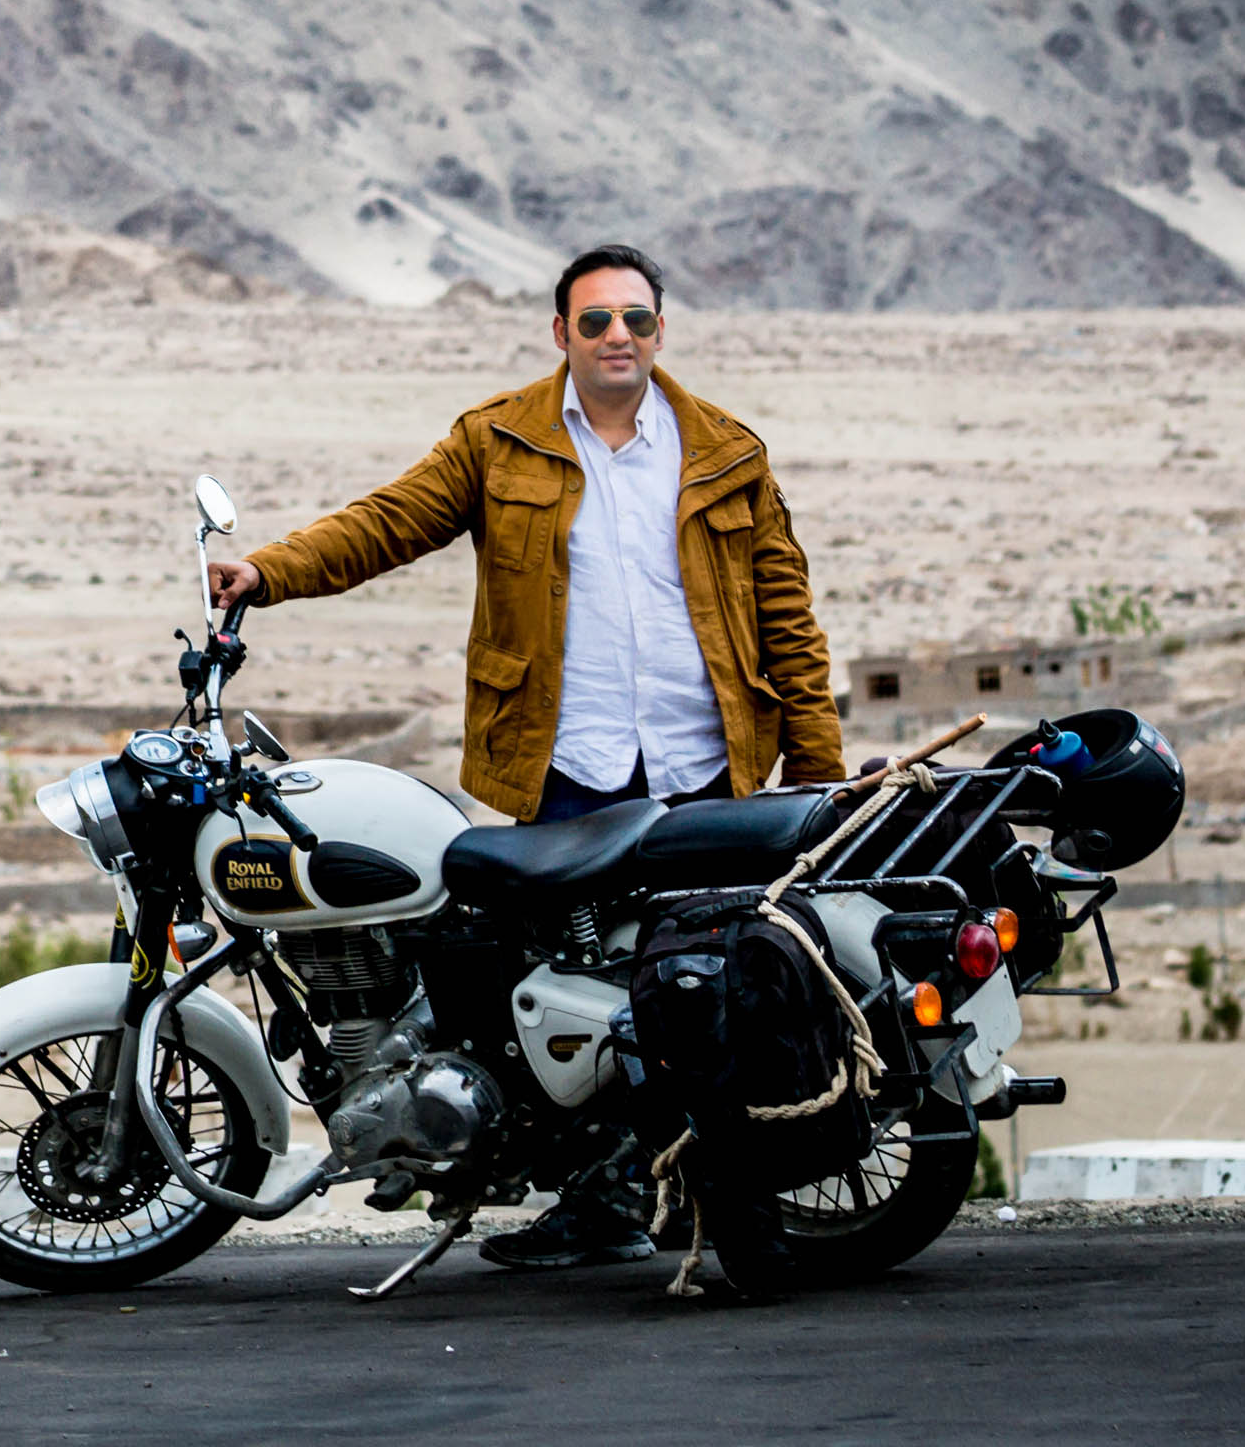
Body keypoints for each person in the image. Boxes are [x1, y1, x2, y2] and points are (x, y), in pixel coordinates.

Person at [207, 243, 842, 1269]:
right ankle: (607, 1198)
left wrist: (816, 765)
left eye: (635, 318)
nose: (616, 336)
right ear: (562, 334)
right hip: (568, 765)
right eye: (594, 320)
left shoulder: (725, 449)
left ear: (660, 331)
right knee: (571, 987)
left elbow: (785, 611)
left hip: (702, 763)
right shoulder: (499, 439)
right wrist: (266, 572)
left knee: (699, 987)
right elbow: (388, 521)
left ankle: (717, 1201)